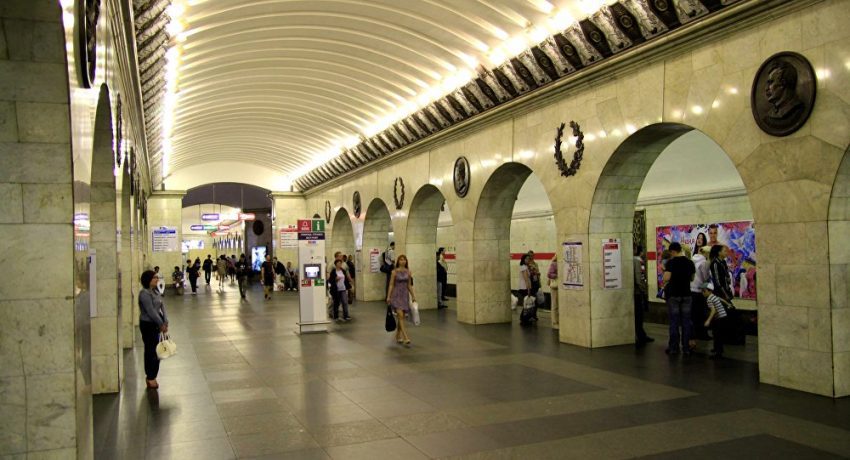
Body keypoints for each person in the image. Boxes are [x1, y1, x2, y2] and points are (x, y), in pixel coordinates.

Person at [661, 242, 695, 355]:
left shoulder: (671, 262)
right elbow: (692, 278)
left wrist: (664, 271)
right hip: (686, 294)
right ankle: (686, 348)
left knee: (674, 322)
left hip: (674, 295)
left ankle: (674, 348)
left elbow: (666, 278)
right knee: (686, 322)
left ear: (672, 251)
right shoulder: (690, 262)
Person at [138, 270, 168, 389]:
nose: (157, 279)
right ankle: (150, 376)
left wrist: (165, 321)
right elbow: (150, 311)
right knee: (151, 351)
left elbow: (162, 306)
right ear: (148, 280)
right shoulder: (144, 294)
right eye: (154, 277)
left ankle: (153, 375)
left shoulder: (155, 291)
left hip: (157, 323)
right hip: (148, 325)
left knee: (158, 350)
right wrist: (161, 324)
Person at [386, 254, 416, 346]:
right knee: (400, 314)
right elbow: (391, 284)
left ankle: (398, 335)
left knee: (401, 316)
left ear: (406, 261)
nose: (403, 261)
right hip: (396, 295)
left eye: (404, 260)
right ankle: (405, 337)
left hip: (404, 295)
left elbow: (409, 285)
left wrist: (413, 296)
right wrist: (388, 296)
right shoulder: (394, 272)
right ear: (398, 261)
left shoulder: (408, 272)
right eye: (401, 260)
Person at [702, 282, 732, 359]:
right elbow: (721, 299)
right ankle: (716, 348)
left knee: (717, 335)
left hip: (719, 318)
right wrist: (728, 304)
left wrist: (708, 320)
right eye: (702, 291)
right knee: (716, 334)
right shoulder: (713, 296)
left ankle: (718, 353)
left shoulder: (709, 299)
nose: (703, 293)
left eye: (704, 291)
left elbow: (713, 310)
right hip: (723, 317)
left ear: (710, 291)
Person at [690, 245, 712, 341]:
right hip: (700, 290)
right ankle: (702, 334)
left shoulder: (692, 259)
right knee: (702, 313)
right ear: (707, 253)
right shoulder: (704, 262)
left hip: (691, 289)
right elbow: (705, 277)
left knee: (693, 314)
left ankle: (693, 334)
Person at [633, 246, 653, 345]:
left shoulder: (628, 260)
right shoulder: (638, 261)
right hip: (637, 293)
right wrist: (643, 290)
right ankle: (641, 335)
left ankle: (639, 334)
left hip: (631, 292)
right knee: (639, 315)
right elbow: (639, 278)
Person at [547, 254, 559, 329]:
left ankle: (558, 321)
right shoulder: (554, 264)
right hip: (555, 287)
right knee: (555, 305)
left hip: (559, 287)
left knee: (558, 305)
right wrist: (557, 275)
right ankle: (554, 322)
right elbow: (549, 274)